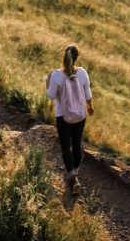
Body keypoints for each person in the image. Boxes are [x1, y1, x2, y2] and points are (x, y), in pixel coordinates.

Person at [46, 44, 93, 195]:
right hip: (80, 115)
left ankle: (73, 179)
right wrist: (90, 107)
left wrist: (48, 81)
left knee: (66, 147)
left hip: (63, 116)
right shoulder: (83, 73)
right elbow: (87, 93)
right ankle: (75, 175)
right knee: (77, 144)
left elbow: (51, 95)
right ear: (77, 56)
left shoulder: (56, 75)